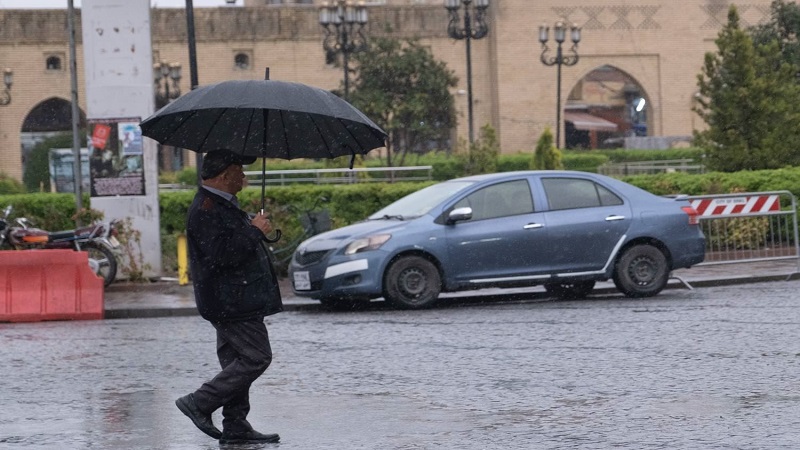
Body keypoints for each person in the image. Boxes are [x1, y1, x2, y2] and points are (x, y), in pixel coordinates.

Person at [175, 149, 283, 445]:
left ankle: (235, 425)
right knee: (256, 357)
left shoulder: (221, 205)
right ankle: (199, 401)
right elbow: (222, 255)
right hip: (231, 301)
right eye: (240, 171)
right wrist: (254, 232)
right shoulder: (207, 208)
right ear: (224, 175)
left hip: (235, 297)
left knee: (236, 360)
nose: (244, 177)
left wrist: (251, 228)